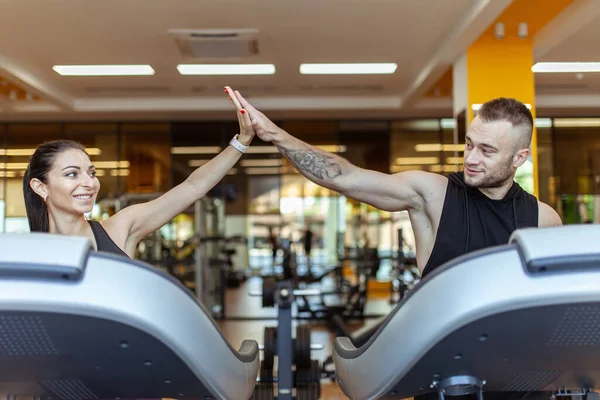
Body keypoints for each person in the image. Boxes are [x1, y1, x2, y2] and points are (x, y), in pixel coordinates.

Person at [229, 90, 562, 278]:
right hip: (447, 375)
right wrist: (273, 134)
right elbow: (344, 177)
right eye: (469, 144)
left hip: (519, 376)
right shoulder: (433, 193)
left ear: (519, 158)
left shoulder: (543, 220)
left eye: (487, 151)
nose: (471, 158)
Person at [23, 86, 253, 259]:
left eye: (91, 173)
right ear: (40, 186)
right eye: (72, 174)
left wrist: (242, 141)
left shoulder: (120, 229)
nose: (89, 183)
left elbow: (193, 187)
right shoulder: (26, 254)